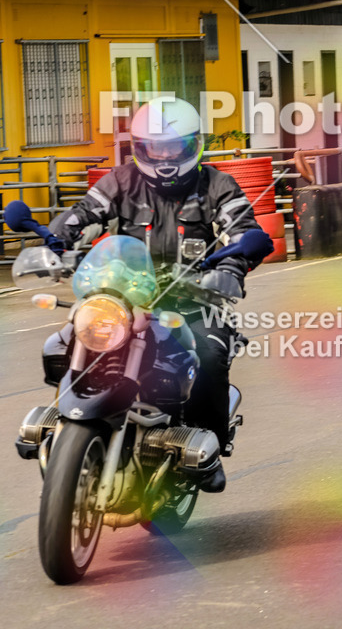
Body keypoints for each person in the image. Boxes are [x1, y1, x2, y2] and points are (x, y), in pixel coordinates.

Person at [48, 97, 273, 493]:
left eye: (174, 147)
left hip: (195, 300)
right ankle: (65, 423)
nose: (165, 156)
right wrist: (55, 242)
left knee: (211, 353)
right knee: (65, 340)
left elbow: (243, 229)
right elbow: (83, 212)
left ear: (192, 146)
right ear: (141, 148)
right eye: (156, 147)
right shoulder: (120, 181)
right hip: (126, 297)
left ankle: (207, 448)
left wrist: (230, 269)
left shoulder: (217, 185)